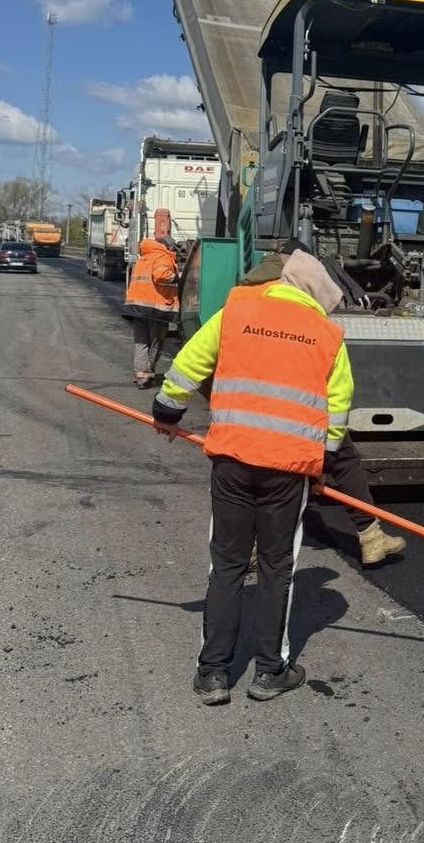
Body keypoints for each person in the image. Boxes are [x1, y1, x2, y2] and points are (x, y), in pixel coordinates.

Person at [150, 249, 353, 706]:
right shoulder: (327, 334)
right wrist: (323, 464)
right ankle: (269, 672)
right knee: (277, 567)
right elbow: (337, 411)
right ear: (315, 296)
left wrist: (168, 409)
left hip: (233, 460)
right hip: (287, 470)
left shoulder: (239, 308)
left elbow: (190, 361)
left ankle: (213, 674)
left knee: (226, 564)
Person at [239, 241, 407, 567]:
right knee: (342, 459)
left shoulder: (246, 288)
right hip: (293, 398)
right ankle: (371, 537)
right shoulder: (288, 287)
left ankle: (249, 546)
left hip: (245, 399)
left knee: (251, 474)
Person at [122, 236, 179, 388]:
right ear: (169, 247)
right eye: (174, 248)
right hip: (156, 309)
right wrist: (177, 277)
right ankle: (148, 374)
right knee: (155, 343)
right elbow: (161, 275)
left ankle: (141, 376)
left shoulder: (144, 258)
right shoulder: (163, 257)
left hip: (136, 307)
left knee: (141, 343)